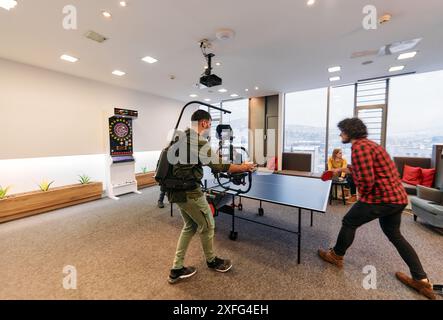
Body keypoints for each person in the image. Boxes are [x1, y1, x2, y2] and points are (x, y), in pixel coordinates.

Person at [318, 118, 436, 300]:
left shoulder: (359, 148)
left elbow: (366, 181)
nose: (340, 134)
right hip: (397, 198)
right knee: (394, 235)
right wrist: (342, 170)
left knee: (349, 221)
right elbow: (362, 168)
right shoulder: (370, 145)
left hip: (381, 198)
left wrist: (359, 198)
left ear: (349, 132)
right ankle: (421, 280)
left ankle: (336, 256)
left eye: (342, 131)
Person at [167, 110, 256, 284]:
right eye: (210, 123)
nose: (210, 127)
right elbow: (219, 166)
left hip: (175, 191)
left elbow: (193, 162)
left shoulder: (181, 137)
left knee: (190, 226)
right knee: (208, 225)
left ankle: (176, 268)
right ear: (204, 123)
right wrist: (244, 167)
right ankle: (212, 261)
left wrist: (214, 159)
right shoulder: (199, 141)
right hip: (190, 192)